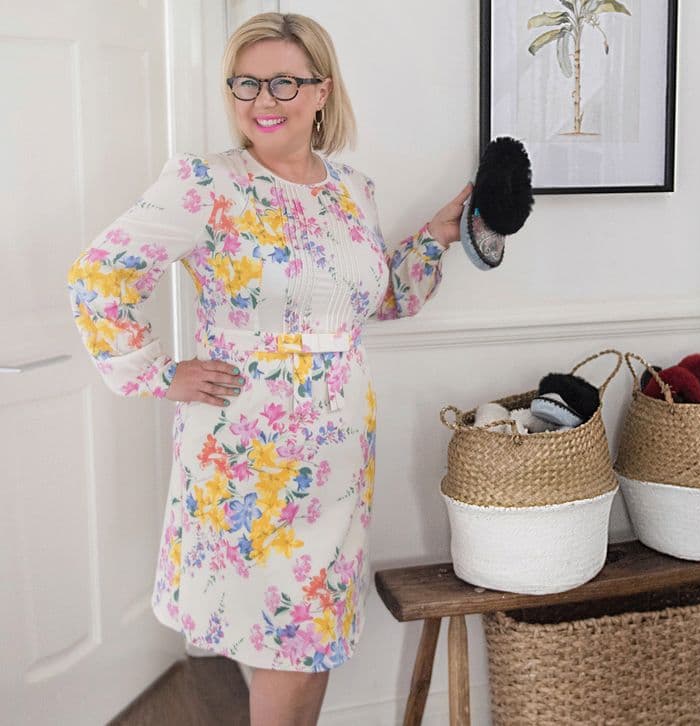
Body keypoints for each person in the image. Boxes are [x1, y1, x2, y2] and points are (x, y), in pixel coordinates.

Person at [67, 12, 469, 726]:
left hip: (341, 453)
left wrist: (437, 235)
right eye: (246, 82)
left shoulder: (353, 189)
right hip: (248, 455)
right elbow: (99, 276)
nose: (263, 99)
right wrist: (159, 373)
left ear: (322, 90)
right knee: (289, 645)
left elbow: (378, 298)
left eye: (284, 80)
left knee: (301, 645)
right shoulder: (206, 183)